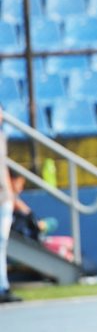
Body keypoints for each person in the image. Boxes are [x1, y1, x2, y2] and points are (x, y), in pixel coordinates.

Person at [0, 108, 21, 304]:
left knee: (2, 244)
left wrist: (12, 196)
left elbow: (2, 166)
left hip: (4, 197)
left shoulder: (1, 136)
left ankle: (3, 287)